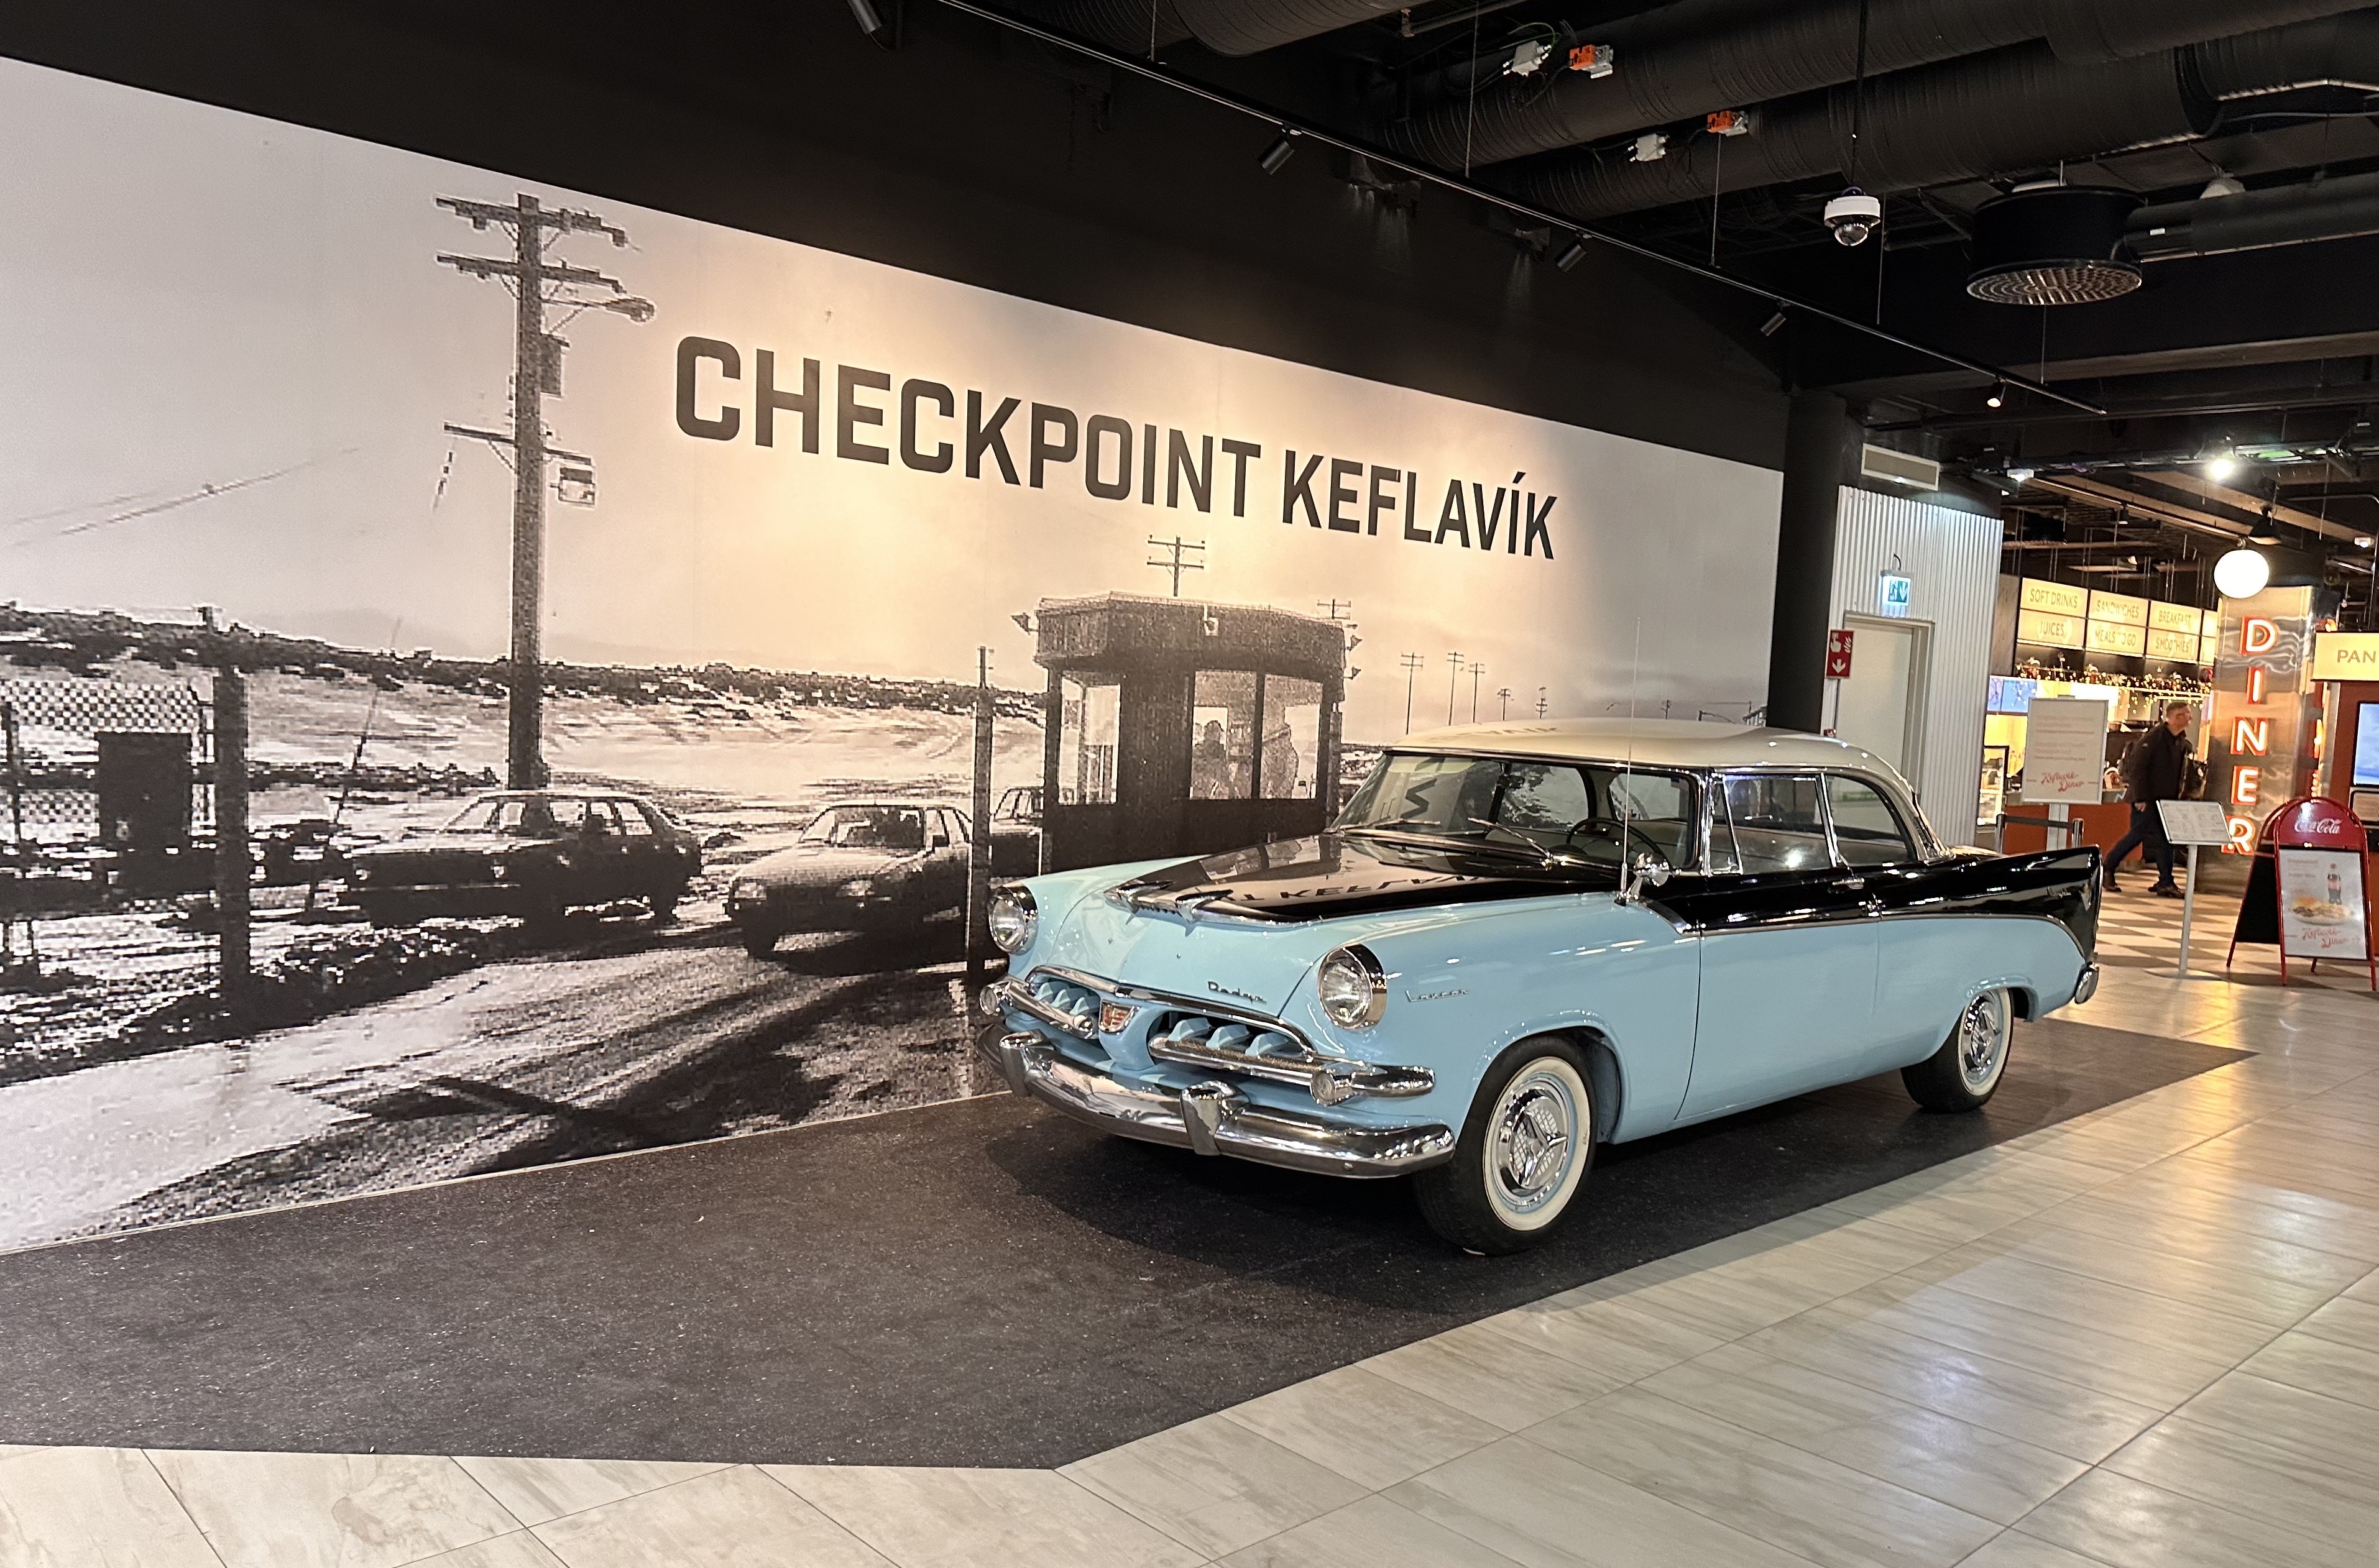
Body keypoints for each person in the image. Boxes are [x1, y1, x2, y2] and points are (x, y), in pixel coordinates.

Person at [2104, 702, 2195, 897]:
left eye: (2187, 714)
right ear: (2170, 718)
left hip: (2168, 800)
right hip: (2147, 798)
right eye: (2181, 715)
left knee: (2166, 840)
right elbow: (2138, 769)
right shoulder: (2154, 739)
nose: (2187, 718)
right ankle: (2108, 868)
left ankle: (2166, 882)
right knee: (2137, 835)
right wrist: (2141, 798)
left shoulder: (2181, 741)